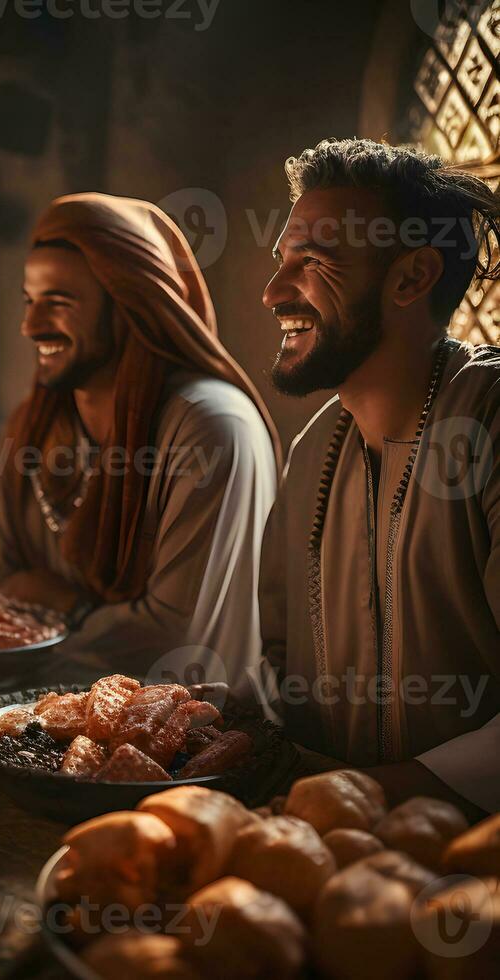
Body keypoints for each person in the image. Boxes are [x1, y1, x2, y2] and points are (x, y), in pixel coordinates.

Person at [258, 138, 500, 814]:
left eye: (313, 261)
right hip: (324, 846)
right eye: (281, 260)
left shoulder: (488, 419)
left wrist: (366, 798)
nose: (275, 292)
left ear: (410, 278)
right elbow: (277, 669)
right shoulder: (314, 451)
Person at [0, 193, 280, 685]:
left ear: (130, 306)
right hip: (36, 713)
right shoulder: (34, 425)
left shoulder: (211, 427)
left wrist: (68, 608)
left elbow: (176, 645)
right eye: (30, 302)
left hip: (195, 740)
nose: (30, 326)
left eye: (58, 303)